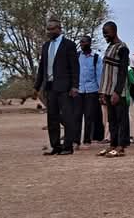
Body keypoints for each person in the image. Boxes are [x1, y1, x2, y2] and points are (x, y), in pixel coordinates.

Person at [33, 18, 80, 156]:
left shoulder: (69, 45)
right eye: (48, 29)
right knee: (52, 118)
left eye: (52, 28)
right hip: (50, 87)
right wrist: (36, 86)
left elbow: (74, 67)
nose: (49, 31)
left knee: (67, 117)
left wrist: (75, 86)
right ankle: (56, 146)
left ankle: (68, 146)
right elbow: (42, 68)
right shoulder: (46, 46)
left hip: (65, 87)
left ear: (59, 29)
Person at [98, 21, 131, 157]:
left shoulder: (122, 48)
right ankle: (112, 144)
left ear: (114, 31)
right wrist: (102, 92)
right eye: (103, 33)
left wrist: (117, 92)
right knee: (111, 119)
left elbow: (123, 72)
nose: (105, 35)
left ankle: (121, 147)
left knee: (121, 119)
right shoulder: (110, 47)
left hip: (118, 91)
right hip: (107, 90)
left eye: (107, 32)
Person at [76, 35, 105, 147]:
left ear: (89, 43)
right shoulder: (77, 56)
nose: (82, 44)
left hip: (92, 91)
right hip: (79, 90)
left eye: (84, 42)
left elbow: (99, 76)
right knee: (77, 115)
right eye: (81, 42)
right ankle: (76, 140)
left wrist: (101, 92)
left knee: (89, 116)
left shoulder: (96, 58)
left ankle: (87, 140)